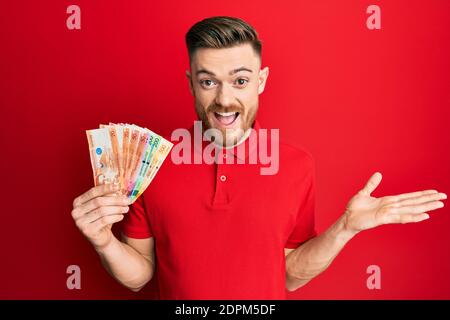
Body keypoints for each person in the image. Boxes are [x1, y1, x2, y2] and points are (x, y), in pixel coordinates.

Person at [71, 16, 446, 299]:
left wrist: (345, 227)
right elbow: (139, 276)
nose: (223, 99)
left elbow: (290, 274)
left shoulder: (298, 165)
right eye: (208, 81)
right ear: (190, 84)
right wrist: (103, 241)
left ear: (261, 81)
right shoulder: (149, 164)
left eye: (240, 80)